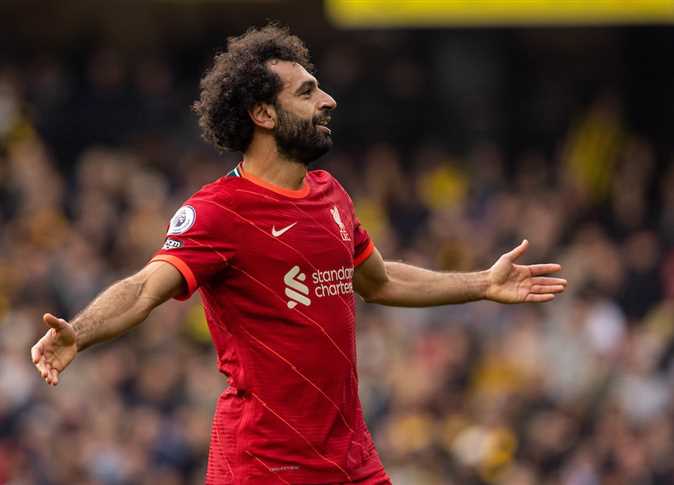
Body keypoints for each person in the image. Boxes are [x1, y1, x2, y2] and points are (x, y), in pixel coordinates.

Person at [30, 24, 567, 485]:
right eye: (308, 92)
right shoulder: (218, 210)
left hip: (350, 455)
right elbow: (145, 287)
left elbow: (379, 282)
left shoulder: (331, 194)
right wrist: (82, 331)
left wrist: (481, 283)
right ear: (263, 113)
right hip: (264, 463)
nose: (328, 100)